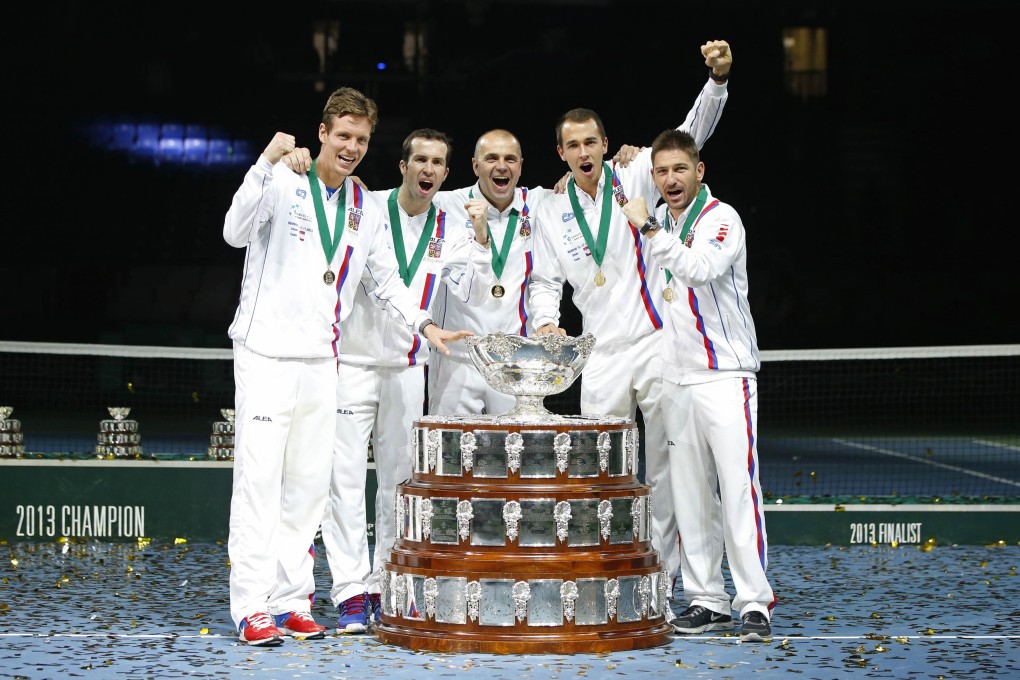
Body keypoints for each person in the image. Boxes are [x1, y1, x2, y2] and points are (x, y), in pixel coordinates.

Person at [223, 88, 469, 647]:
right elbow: (233, 233)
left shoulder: (361, 203)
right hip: (265, 351)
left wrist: (425, 326)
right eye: (344, 136)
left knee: (308, 488)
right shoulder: (284, 179)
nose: (352, 147)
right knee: (261, 481)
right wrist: (263, 162)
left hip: (322, 357)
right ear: (323, 133)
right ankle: (250, 605)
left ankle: (290, 602)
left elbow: (382, 280)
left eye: (361, 139)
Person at [527, 40, 732, 597]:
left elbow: (690, 135)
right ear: (563, 153)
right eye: (573, 145)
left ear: (605, 144)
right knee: (601, 471)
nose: (584, 151)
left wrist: (716, 81)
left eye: (591, 141)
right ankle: (604, 567)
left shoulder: (635, 174)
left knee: (668, 469)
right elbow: (544, 280)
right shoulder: (549, 208)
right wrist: (546, 322)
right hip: (600, 354)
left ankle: (664, 576)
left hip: (656, 343)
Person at [318, 128, 495, 633]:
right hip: (352, 363)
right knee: (345, 478)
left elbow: (476, 293)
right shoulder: (366, 207)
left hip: (409, 365)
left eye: (438, 162)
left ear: (445, 172)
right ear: (402, 165)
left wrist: (482, 239)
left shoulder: (453, 225)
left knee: (398, 484)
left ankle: (384, 583)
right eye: (420, 159)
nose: (429, 170)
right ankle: (351, 592)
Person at [620, 129, 775, 642]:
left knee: (737, 490)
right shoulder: (662, 220)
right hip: (678, 379)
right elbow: (595, 184)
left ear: (699, 171)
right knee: (689, 496)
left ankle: (754, 601)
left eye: (678, 169)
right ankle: (706, 599)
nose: (669, 179)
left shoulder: (721, 219)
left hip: (726, 376)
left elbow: (700, 269)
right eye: (661, 171)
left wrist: (647, 227)